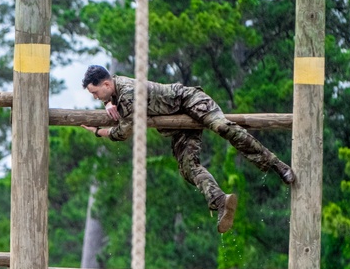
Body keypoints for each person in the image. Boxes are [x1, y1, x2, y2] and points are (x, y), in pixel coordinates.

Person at [80, 65, 295, 233]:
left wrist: (99, 131)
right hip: (179, 124)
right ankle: (220, 201)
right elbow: (115, 103)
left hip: (191, 101)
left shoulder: (127, 94)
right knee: (187, 167)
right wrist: (107, 104)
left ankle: (278, 166)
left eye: (95, 92)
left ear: (106, 84)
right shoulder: (116, 89)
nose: (95, 97)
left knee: (224, 128)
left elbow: (123, 132)